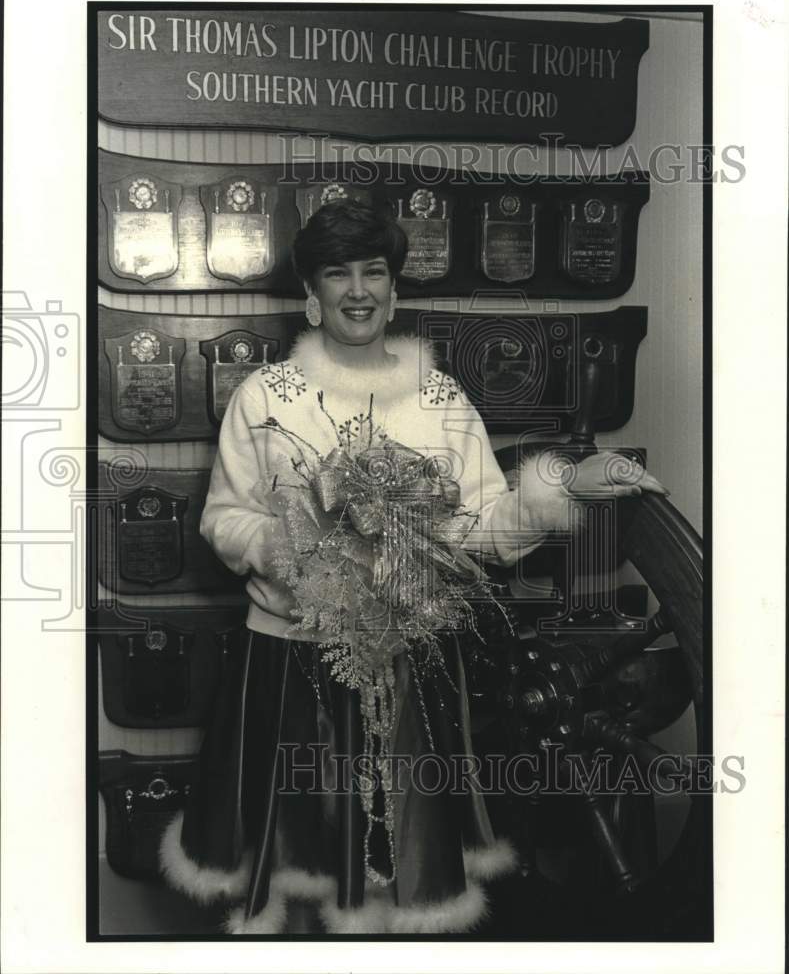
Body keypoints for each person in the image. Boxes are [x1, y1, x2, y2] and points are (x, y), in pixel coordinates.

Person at [159, 200, 665, 934]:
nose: (357, 290)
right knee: (296, 879)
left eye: (374, 272)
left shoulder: (439, 400)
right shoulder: (263, 397)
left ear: (395, 291)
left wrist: (569, 484)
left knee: (404, 879)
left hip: (413, 670)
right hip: (289, 664)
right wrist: (296, 546)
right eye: (338, 273)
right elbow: (223, 518)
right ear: (312, 292)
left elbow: (481, 531)